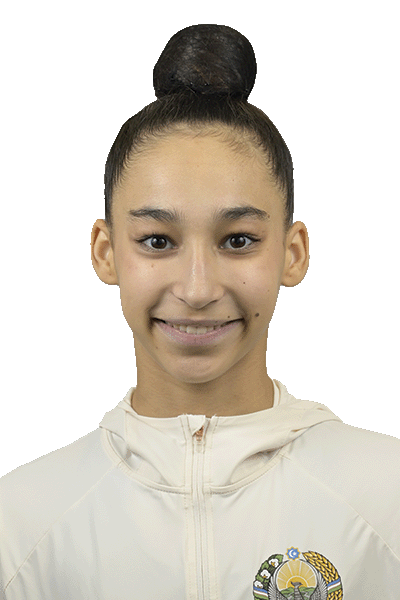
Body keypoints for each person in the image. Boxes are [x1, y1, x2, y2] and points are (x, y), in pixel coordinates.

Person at [0, 23, 399, 600]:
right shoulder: (20, 527)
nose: (197, 288)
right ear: (105, 252)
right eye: (157, 241)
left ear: (293, 253)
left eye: (238, 240)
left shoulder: (386, 501)